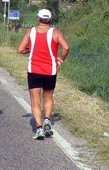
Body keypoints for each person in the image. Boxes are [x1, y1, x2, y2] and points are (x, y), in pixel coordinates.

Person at [17, 9, 70, 140]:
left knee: (35, 100)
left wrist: (30, 49)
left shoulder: (30, 32)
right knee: (48, 96)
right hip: (50, 70)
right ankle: (47, 120)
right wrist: (61, 58)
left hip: (34, 70)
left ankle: (39, 128)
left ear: (38, 19)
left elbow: (20, 49)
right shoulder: (56, 32)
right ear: (50, 20)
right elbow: (66, 47)